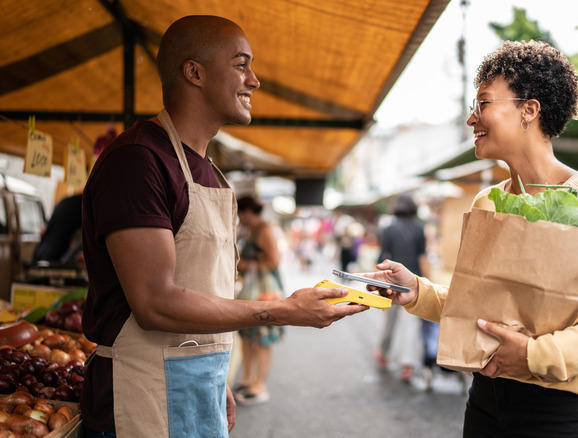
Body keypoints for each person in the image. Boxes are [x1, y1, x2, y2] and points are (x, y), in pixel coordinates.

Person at [80, 15, 367, 438]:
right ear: (194, 72)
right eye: (241, 64)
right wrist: (282, 311)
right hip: (139, 400)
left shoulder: (210, 173)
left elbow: (203, 289)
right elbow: (154, 302)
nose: (254, 80)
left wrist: (214, 378)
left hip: (199, 385)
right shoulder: (137, 161)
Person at [362, 40, 578, 437]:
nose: (472, 119)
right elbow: (480, 306)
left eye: (483, 103)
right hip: (488, 401)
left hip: (569, 411)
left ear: (529, 110)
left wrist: (539, 355)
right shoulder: (488, 202)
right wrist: (418, 291)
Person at [234, 196, 284, 404]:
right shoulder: (252, 229)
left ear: (246, 212)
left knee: (262, 337)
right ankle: (248, 379)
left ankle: (259, 384)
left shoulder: (263, 229)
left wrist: (247, 265)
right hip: (253, 288)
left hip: (265, 289)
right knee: (247, 334)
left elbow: (274, 261)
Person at [373, 194, 427, 383]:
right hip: (414, 282)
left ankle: (384, 353)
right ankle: (407, 365)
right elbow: (422, 258)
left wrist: (376, 283)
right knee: (410, 324)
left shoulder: (388, 229)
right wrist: (428, 282)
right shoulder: (420, 229)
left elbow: (381, 258)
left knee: (390, 321)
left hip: (392, 282)